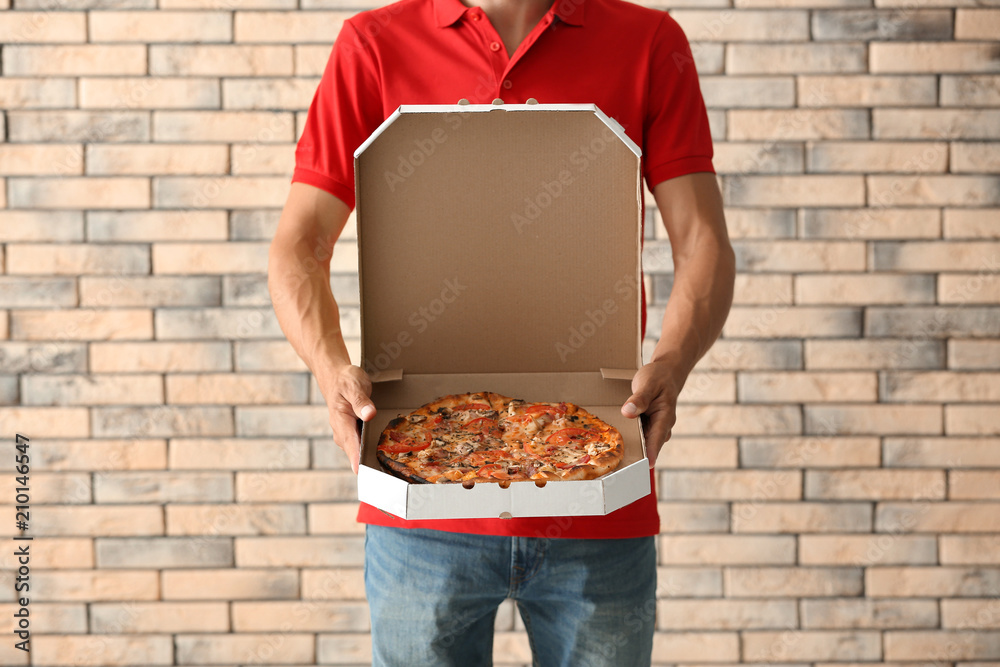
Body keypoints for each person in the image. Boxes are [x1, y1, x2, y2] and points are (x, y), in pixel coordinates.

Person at [267, 0, 736, 662]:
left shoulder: (649, 41)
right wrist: (329, 368)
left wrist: (674, 362)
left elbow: (702, 241)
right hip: (419, 501)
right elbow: (298, 244)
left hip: (599, 492)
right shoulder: (372, 44)